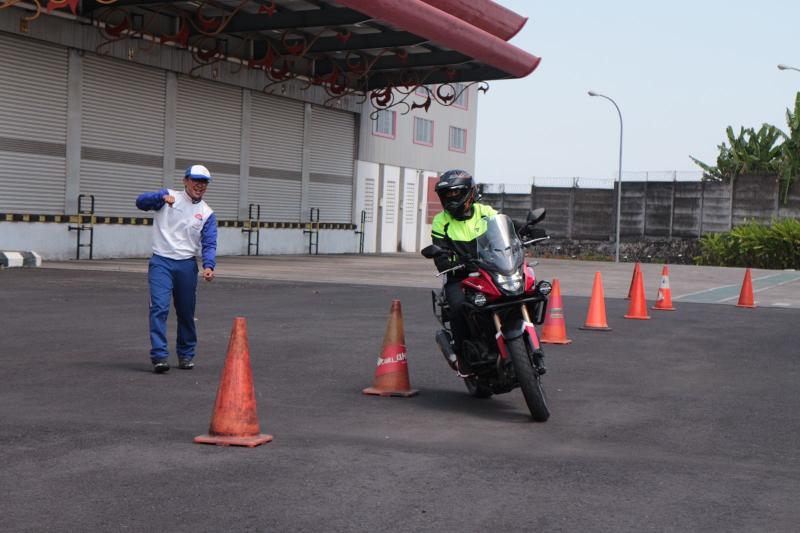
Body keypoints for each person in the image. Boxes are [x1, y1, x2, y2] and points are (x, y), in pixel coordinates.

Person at [135, 164, 218, 373]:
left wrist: (209, 265)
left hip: (187, 265)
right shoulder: (168, 196)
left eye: (204, 182)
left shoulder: (207, 213)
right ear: (185, 181)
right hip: (161, 262)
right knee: (159, 307)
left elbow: (209, 242)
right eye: (195, 180)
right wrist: (159, 199)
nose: (199, 185)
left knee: (186, 312)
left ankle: (186, 354)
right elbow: (140, 202)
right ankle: (160, 356)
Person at [430, 169, 497, 373]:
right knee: (459, 306)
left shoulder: (485, 212)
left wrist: (523, 231)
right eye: (446, 195)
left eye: (455, 194)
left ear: (468, 193)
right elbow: (439, 252)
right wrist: (447, 260)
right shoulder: (441, 221)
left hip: (490, 273)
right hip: (459, 277)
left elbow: (504, 228)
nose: (450, 199)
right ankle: (462, 357)